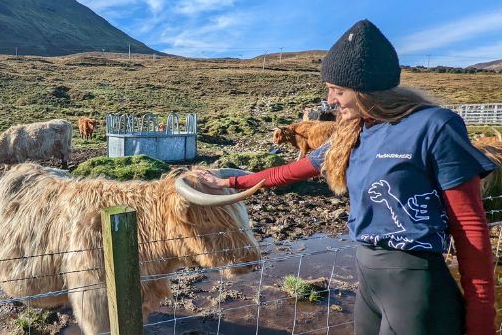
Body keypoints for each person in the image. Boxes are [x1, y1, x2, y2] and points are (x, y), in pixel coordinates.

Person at [198, 19, 497, 335]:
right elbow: (287, 172)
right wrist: (228, 182)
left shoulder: (434, 126)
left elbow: (470, 227)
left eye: (337, 90)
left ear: (367, 90)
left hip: (414, 282)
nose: (330, 101)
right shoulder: (352, 132)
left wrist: (481, 322)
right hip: (368, 281)